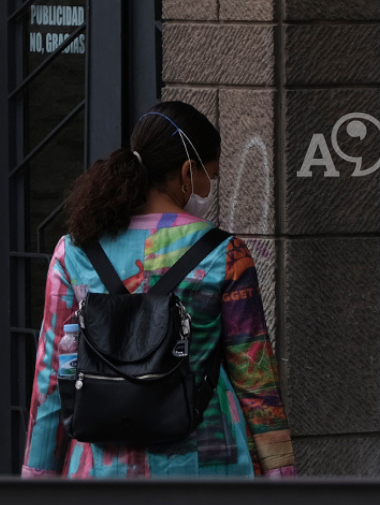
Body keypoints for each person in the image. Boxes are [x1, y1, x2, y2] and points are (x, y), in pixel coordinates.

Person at [22, 102, 295, 478]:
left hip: (101, 471)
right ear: (187, 172)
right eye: (210, 176)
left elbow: (53, 377)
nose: (208, 189)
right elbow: (255, 376)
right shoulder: (224, 253)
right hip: (208, 470)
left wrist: (36, 476)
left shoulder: (74, 252)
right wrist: (283, 476)